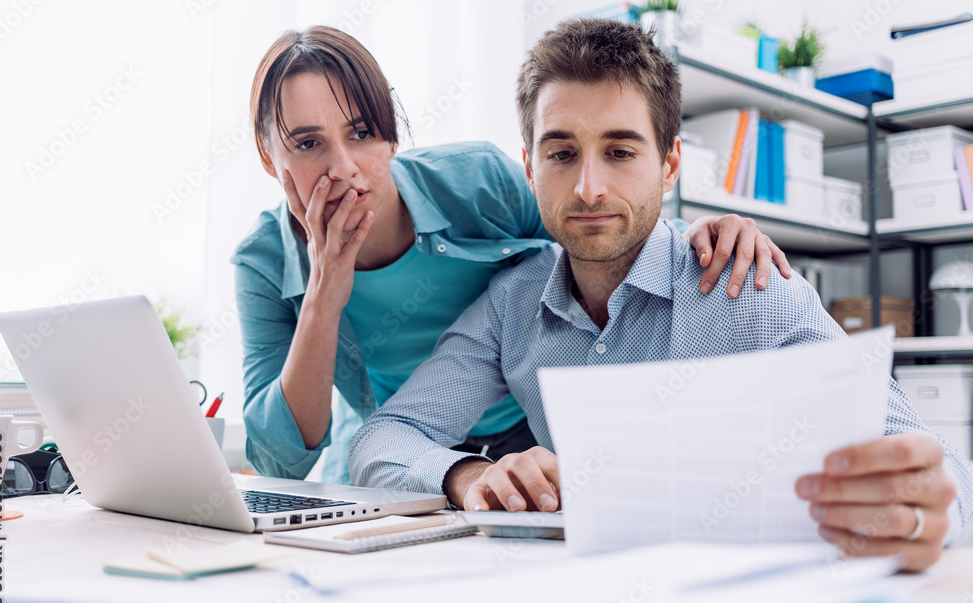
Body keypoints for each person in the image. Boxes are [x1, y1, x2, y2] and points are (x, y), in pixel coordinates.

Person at [349, 18, 973, 572]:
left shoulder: (747, 283)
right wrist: (469, 473)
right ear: (530, 166)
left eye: (620, 151)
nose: (589, 188)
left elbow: (944, 472)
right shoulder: (510, 304)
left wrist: (921, 512)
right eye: (562, 153)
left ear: (671, 164)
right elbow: (382, 440)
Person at [232, 26, 792, 484]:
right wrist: (324, 295)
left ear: (392, 135)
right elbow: (285, 460)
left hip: (533, 432)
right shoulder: (264, 262)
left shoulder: (480, 184)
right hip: (417, 452)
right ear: (267, 155)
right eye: (307, 144)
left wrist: (700, 232)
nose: (343, 168)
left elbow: (594, 237)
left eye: (361, 133)